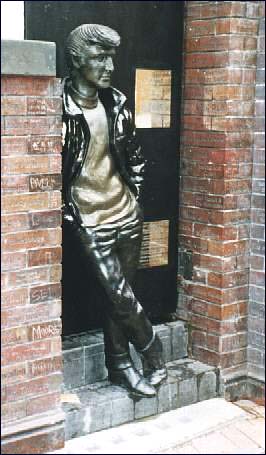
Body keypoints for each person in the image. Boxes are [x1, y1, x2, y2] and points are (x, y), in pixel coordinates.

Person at [62, 23, 167, 397]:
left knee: (119, 299)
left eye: (111, 58)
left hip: (125, 214)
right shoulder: (59, 107)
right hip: (89, 219)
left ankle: (120, 366)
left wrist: (134, 199)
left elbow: (134, 156)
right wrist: (70, 212)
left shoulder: (117, 102)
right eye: (98, 57)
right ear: (76, 60)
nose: (108, 66)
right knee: (120, 295)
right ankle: (154, 353)